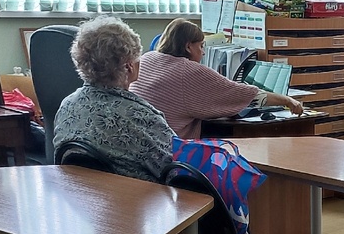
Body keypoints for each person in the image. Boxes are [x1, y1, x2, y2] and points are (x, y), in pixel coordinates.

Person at [131, 18, 302, 139]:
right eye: (201, 46)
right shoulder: (188, 71)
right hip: (171, 149)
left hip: (142, 141)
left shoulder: (147, 58)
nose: (203, 52)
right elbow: (246, 95)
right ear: (188, 46)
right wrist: (287, 101)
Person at [53, 15, 173, 182]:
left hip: (80, 201)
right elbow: (176, 170)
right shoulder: (141, 116)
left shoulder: (67, 105)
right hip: (137, 203)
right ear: (129, 65)